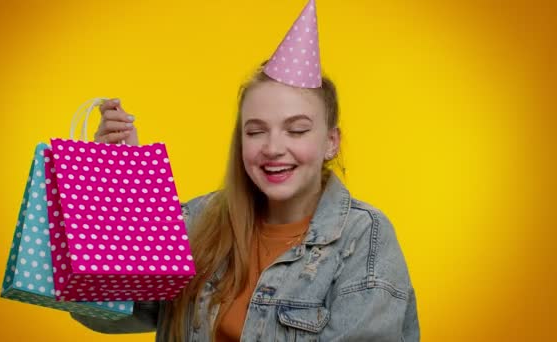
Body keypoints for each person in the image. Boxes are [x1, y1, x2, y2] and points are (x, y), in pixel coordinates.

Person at [72, 1, 419, 341]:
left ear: (331, 142)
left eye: (296, 130)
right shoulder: (196, 220)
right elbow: (110, 314)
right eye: (255, 131)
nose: (272, 147)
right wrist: (120, 182)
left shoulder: (364, 238)